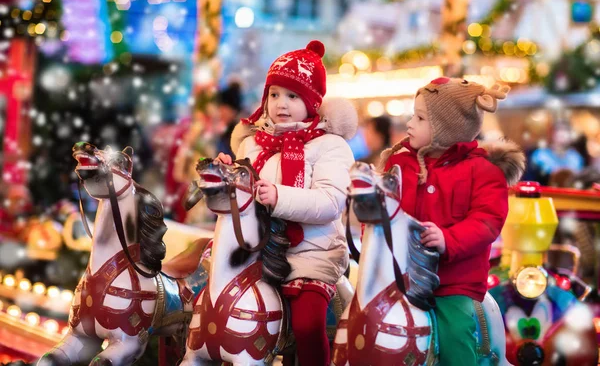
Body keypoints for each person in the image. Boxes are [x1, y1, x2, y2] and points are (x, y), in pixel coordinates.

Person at [216, 40, 357, 366]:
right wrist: (225, 180)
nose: (281, 103)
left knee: (308, 324)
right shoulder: (252, 144)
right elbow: (240, 206)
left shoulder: (330, 146)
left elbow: (329, 201)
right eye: (275, 94)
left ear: (312, 103)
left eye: (293, 96)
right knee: (212, 302)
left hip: (311, 251)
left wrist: (280, 197)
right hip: (257, 249)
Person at [380, 77, 525, 365]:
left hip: (452, 281)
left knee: (455, 333)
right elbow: (386, 209)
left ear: (446, 129)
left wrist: (448, 239)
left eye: (420, 118)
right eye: (413, 114)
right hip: (400, 274)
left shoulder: (482, 171)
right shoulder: (400, 163)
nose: (410, 123)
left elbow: (487, 221)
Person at [215, 81, 243, 158]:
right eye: (220, 107)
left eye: (224, 108)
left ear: (233, 111)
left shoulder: (236, 134)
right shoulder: (223, 130)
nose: (220, 112)